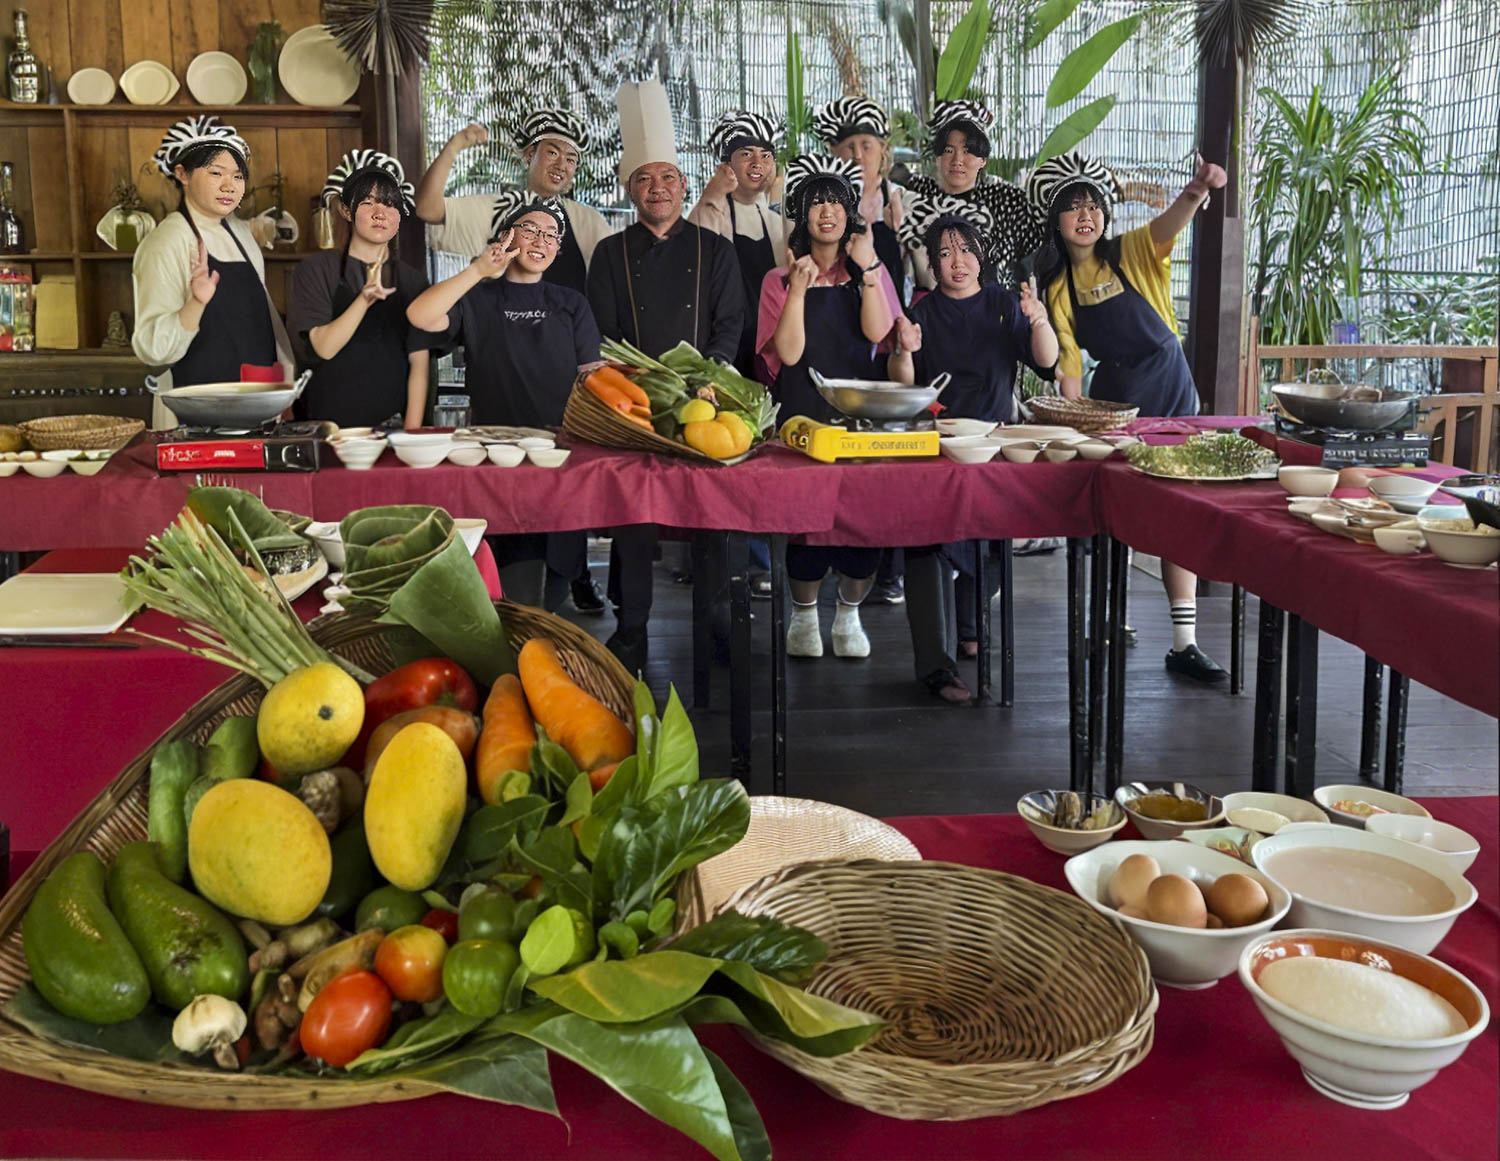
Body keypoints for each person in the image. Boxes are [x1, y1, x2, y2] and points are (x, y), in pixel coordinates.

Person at [1029, 149, 1230, 683]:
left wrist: (1197, 190)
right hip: (1113, 399)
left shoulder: (1130, 252)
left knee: (1177, 510)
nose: (1086, 215)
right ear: (1056, 219)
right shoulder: (1057, 287)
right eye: (1073, 207)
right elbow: (1069, 363)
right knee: (1114, 511)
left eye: (1092, 204)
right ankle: (1109, 620)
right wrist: (1074, 418)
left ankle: (1184, 641)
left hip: (1170, 384)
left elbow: (1168, 225)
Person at [415, 107, 612, 612]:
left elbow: (593, 377)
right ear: (506, 236)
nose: (543, 243)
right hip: (498, 453)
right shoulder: (479, 300)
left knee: (557, 587)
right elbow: (421, 315)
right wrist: (480, 269)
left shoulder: (572, 303)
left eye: (552, 236)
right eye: (531, 233)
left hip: (560, 454)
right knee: (514, 588)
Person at [587, 80, 747, 673]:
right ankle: (630, 631)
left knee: (709, 516)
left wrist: (711, 377)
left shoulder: (715, 250)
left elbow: (731, 322)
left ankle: (716, 625)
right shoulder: (609, 253)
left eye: (668, 178)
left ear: (684, 184)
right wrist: (639, 385)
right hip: (637, 403)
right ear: (631, 189)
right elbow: (601, 334)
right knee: (634, 518)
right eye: (645, 179)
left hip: (706, 400)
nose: (658, 189)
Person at [889, 215, 1059, 701]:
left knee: (989, 545)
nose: (956, 262)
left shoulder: (1005, 304)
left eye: (965, 250)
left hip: (992, 446)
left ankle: (970, 629)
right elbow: (905, 385)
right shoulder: (921, 312)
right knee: (930, 544)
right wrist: (905, 350)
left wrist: (1039, 319)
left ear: (981, 255)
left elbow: (1046, 362)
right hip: (935, 447)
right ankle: (936, 667)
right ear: (932, 263)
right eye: (944, 254)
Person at [757, 154, 901, 659]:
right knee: (806, 524)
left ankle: (848, 614)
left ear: (848, 216)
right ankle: (802, 617)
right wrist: (797, 290)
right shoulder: (778, 279)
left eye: (836, 202)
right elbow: (789, 354)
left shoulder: (867, 271)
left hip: (860, 415)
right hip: (801, 413)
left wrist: (869, 268)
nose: (826, 211)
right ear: (802, 214)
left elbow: (878, 332)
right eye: (816, 201)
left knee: (865, 521)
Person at [132, 116, 292, 428]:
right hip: (195, 415)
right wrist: (197, 302)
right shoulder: (167, 242)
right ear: (182, 174)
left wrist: (285, 382)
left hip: (256, 403)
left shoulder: (240, 233)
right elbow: (153, 348)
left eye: (237, 176)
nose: (229, 186)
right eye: (215, 173)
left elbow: (265, 317)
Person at [287, 150, 431, 429]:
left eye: (391, 205)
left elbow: (420, 366)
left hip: (392, 429)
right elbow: (323, 348)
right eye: (368, 203)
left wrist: (410, 436)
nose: (381, 214)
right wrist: (364, 299)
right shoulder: (317, 269)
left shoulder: (412, 281)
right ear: (346, 210)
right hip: (326, 429)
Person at [898, 100, 1042, 294]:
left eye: (968, 151)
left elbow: (1030, 261)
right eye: (949, 150)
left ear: (983, 159)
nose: (958, 161)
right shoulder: (918, 194)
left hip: (1002, 309)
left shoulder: (1009, 198)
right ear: (937, 156)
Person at [687, 110, 788, 379]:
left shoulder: (777, 223)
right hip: (724, 346)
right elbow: (692, 257)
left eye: (765, 155)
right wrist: (712, 194)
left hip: (769, 347)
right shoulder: (710, 212)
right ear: (725, 164)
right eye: (746, 154)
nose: (757, 163)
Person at [812, 97, 907, 305]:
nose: (858, 156)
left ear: (882, 149)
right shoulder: (821, 205)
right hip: (839, 318)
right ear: (834, 152)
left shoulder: (898, 200)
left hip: (890, 315)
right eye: (849, 147)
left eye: (866, 146)